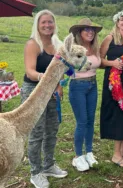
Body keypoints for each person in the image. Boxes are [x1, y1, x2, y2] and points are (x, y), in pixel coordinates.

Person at [20, 10, 67, 188]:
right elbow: (30, 72)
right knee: (36, 133)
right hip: (33, 91)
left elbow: (60, 70)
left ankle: (48, 165)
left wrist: (58, 85)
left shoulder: (58, 45)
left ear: (55, 24)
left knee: (52, 130)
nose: (47, 25)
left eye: (50, 22)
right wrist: (45, 79)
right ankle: (36, 172)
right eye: (43, 22)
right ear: (38, 26)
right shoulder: (33, 44)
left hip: (51, 91)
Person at [100, 10, 123, 168]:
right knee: (118, 116)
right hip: (114, 83)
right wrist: (112, 63)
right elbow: (99, 60)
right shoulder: (109, 38)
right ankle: (116, 154)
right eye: (121, 20)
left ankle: (122, 151)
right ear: (117, 22)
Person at [68, 18, 102, 172]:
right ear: (79, 32)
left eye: (92, 30)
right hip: (77, 86)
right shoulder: (73, 48)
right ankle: (77, 156)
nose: (90, 32)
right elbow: (63, 67)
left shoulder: (95, 48)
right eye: (86, 29)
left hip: (92, 85)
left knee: (90, 121)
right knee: (82, 122)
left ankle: (89, 152)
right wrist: (73, 71)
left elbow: (100, 63)